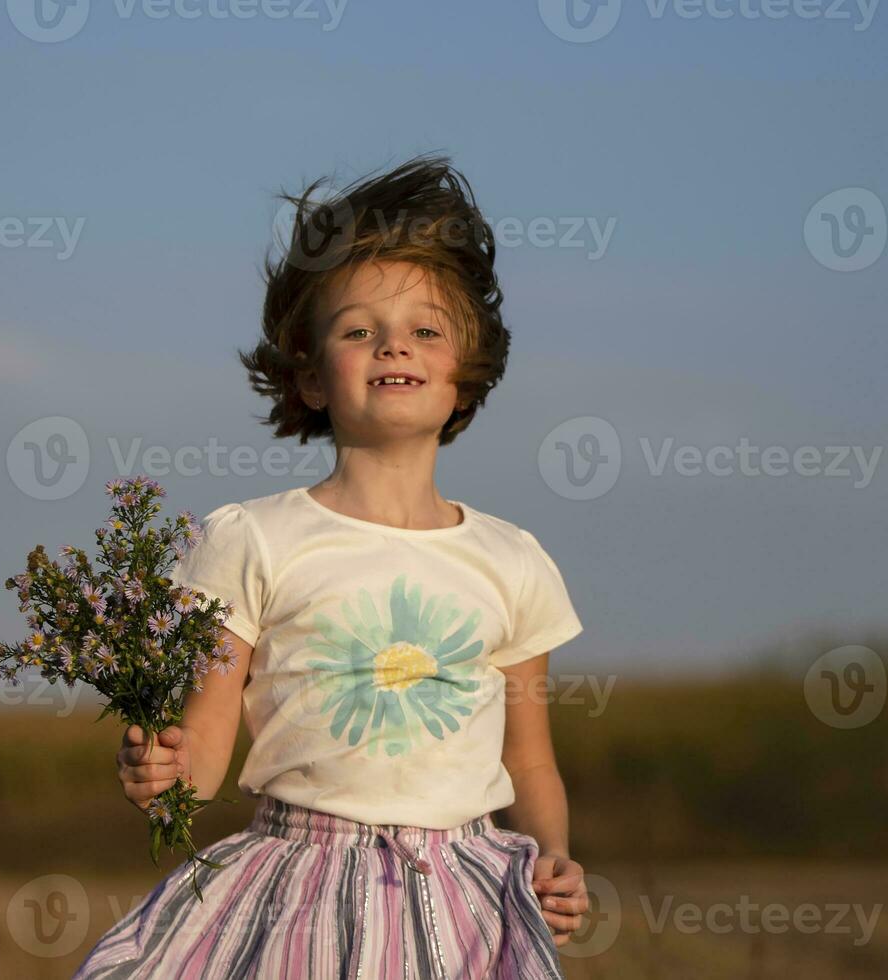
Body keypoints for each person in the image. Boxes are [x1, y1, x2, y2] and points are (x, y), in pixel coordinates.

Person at [74, 153, 589, 979]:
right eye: (358, 331)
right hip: (295, 891)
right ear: (310, 375)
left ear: (466, 373)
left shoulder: (513, 561)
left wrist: (553, 858)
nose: (395, 345)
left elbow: (528, 761)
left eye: (427, 329)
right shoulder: (253, 540)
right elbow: (204, 750)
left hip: (467, 898)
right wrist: (161, 773)